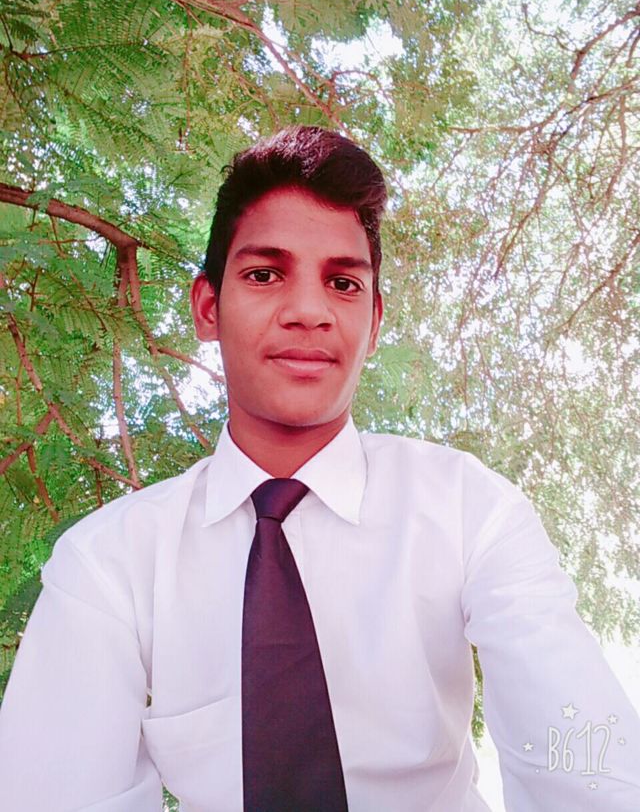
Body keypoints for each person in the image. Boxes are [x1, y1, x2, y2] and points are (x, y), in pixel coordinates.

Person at [0, 126, 638, 812]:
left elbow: (585, 767)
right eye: (264, 274)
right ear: (208, 307)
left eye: (342, 282)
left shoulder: (471, 512)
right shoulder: (108, 567)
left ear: (374, 320)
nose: (309, 311)